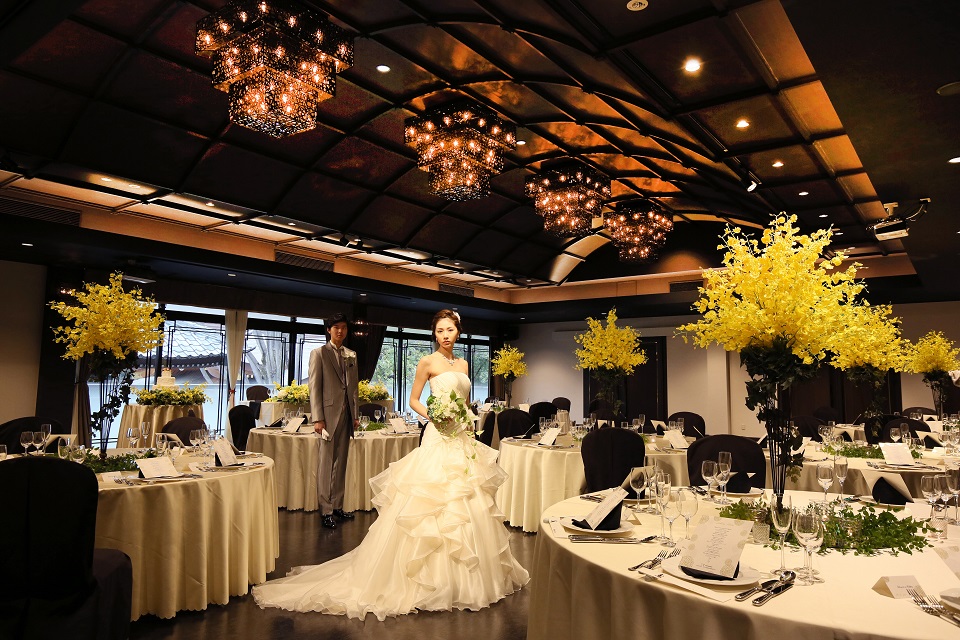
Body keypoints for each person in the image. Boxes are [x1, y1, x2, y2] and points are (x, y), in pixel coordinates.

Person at [253, 309, 529, 620]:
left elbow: (465, 403)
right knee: (429, 503)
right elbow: (414, 400)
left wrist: (465, 418)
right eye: (440, 331)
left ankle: (473, 578)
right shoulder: (427, 362)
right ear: (434, 334)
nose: (445, 335)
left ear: (458, 332)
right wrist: (434, 416)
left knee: (469, 502)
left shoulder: (464, 364)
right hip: (438, 435)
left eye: (450, 330)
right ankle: (423, 577)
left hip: (461, 438)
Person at [310, 312, 359, 530]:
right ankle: (325, 509)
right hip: (328, 417)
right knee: (326, 463)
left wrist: (355, 414)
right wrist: (318, 418)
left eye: (344, 328)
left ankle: (338, 505)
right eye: (336, 327)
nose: (340, 331)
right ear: (329, 330)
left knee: (342, 463)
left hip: (347, 415)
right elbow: (314, 388)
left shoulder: (351, 354)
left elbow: (354, 388)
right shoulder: (319, 353)